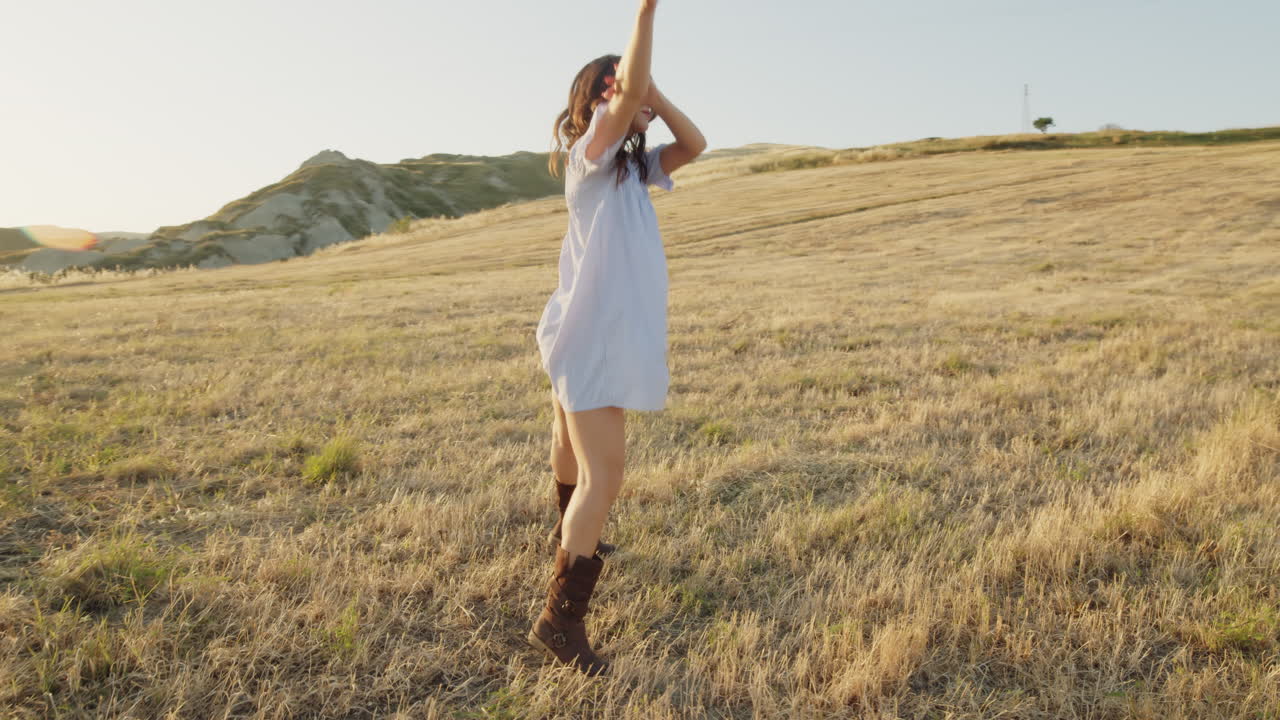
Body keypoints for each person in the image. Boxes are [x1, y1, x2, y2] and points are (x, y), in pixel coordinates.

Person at [530, 0, 706, 676]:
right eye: (621, 87)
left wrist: (653, 95)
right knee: (606, 476)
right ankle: (559, 618)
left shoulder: (635, 169)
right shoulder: (590, 156)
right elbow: (625, 93)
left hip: (585, 332)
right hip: (591, 341)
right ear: (594, 106)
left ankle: (569, 537)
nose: (636, 96)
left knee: (570, 456)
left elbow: (697, 144)